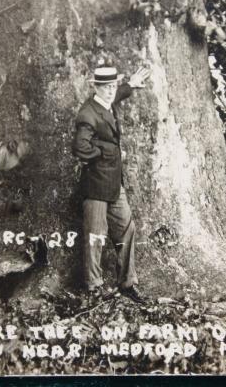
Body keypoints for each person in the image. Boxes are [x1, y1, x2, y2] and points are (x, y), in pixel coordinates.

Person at [72, 65, 151, 304]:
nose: (110, 91)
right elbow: (80, 148)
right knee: (96, 236)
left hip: (115, 185)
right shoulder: (88, 114)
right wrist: (103, 153)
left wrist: (132, 83)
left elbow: (118, 93)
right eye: (104, 87)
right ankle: (94, 287)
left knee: (127, 229)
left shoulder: (108, 100)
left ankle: (127, 283)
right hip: (95, 186)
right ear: (95, 87)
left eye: (112, 86)